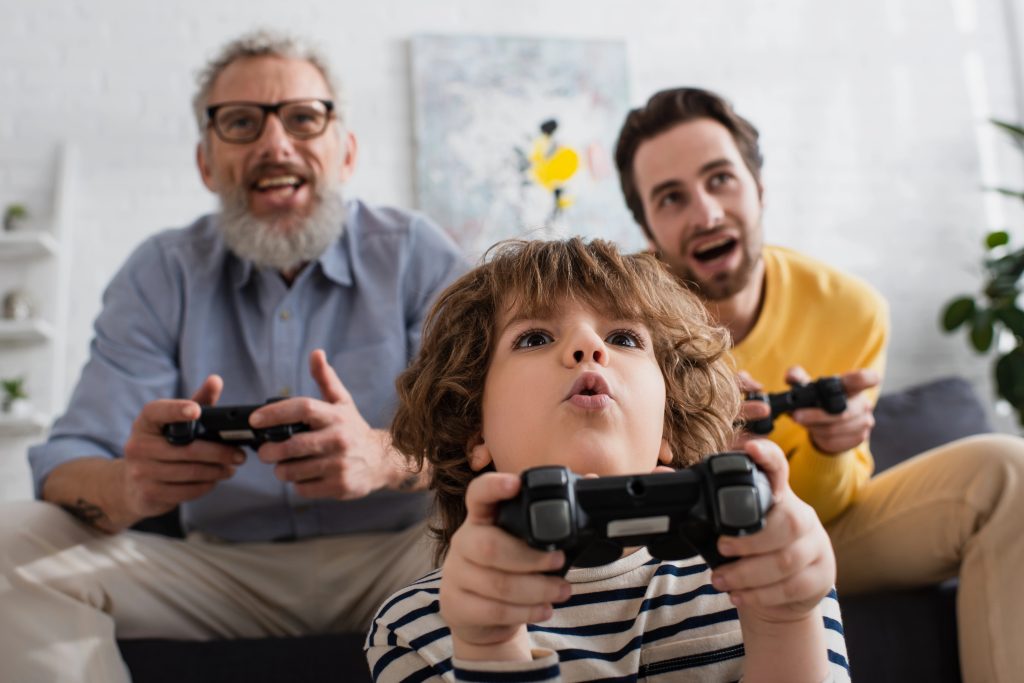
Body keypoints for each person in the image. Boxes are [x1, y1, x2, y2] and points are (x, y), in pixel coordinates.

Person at [0, 30, 466, 682]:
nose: (275, 144)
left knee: (522, 524)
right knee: (9, 542)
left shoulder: (418, 254)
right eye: (241, 123)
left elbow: (488, 436)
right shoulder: (161, 272)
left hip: (401, 554)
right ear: (206, 164)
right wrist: (129, 485)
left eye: (304, 118)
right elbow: (67, 459)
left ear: (346, 151)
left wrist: (381, 455)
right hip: (222, 570)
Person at [613, 86, 1024, 683]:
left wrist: (835, 449)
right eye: (671, 198)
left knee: (1007, 471)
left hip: (822, 533)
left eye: (720, 179)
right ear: (647, 227)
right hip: (680, 551)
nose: (705, 213)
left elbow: (830, 508)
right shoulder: (622, 324)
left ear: (759, 188)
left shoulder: (851, 311)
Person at [366, 238, 849, 682]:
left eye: (624, 338)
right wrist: (489, 648)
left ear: (669, 425)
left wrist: (784, 621)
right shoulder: (419, 624)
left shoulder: (770, 569)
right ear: (473, 426)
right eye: (534, 338)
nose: (589, 347)